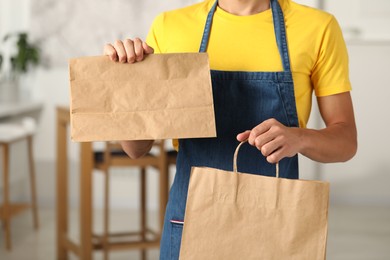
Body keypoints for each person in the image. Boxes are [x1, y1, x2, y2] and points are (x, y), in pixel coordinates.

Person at [103, 0, 357, 259]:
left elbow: (346, 141)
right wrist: (130, 80)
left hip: (276, 226)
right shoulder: (170, 27)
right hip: (191, 221)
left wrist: (299, 137)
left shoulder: (318, 27)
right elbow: (135, 148)